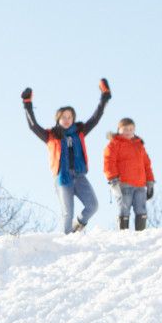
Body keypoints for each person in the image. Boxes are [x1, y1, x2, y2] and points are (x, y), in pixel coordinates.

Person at [22, 78, 112, 234]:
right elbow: (33, 126)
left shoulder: (80, 132)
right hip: (63, 179)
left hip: (79, 176)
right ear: (58, 119)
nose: (67, 119)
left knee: (93, 206)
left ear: (73, 119)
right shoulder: (51, 136)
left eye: (70, 117)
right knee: (67, 213)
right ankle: (67, 242)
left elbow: (95, 118)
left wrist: (104, 98)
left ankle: (79, 224)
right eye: (63, 117)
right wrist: (27, 104)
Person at [102, 117, 156, 231]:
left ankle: (140, 234)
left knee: (141, 209)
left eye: (131, 129)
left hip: (140, 185)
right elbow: (109, 162)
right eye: (125, 129)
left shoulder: (139, 145)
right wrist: (113, 179)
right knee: (124, 208)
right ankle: (123, 234)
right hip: (124, 184)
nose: (128, 132)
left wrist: (150, 182)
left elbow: (147, 165)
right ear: (119, 130)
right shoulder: (115, 144)